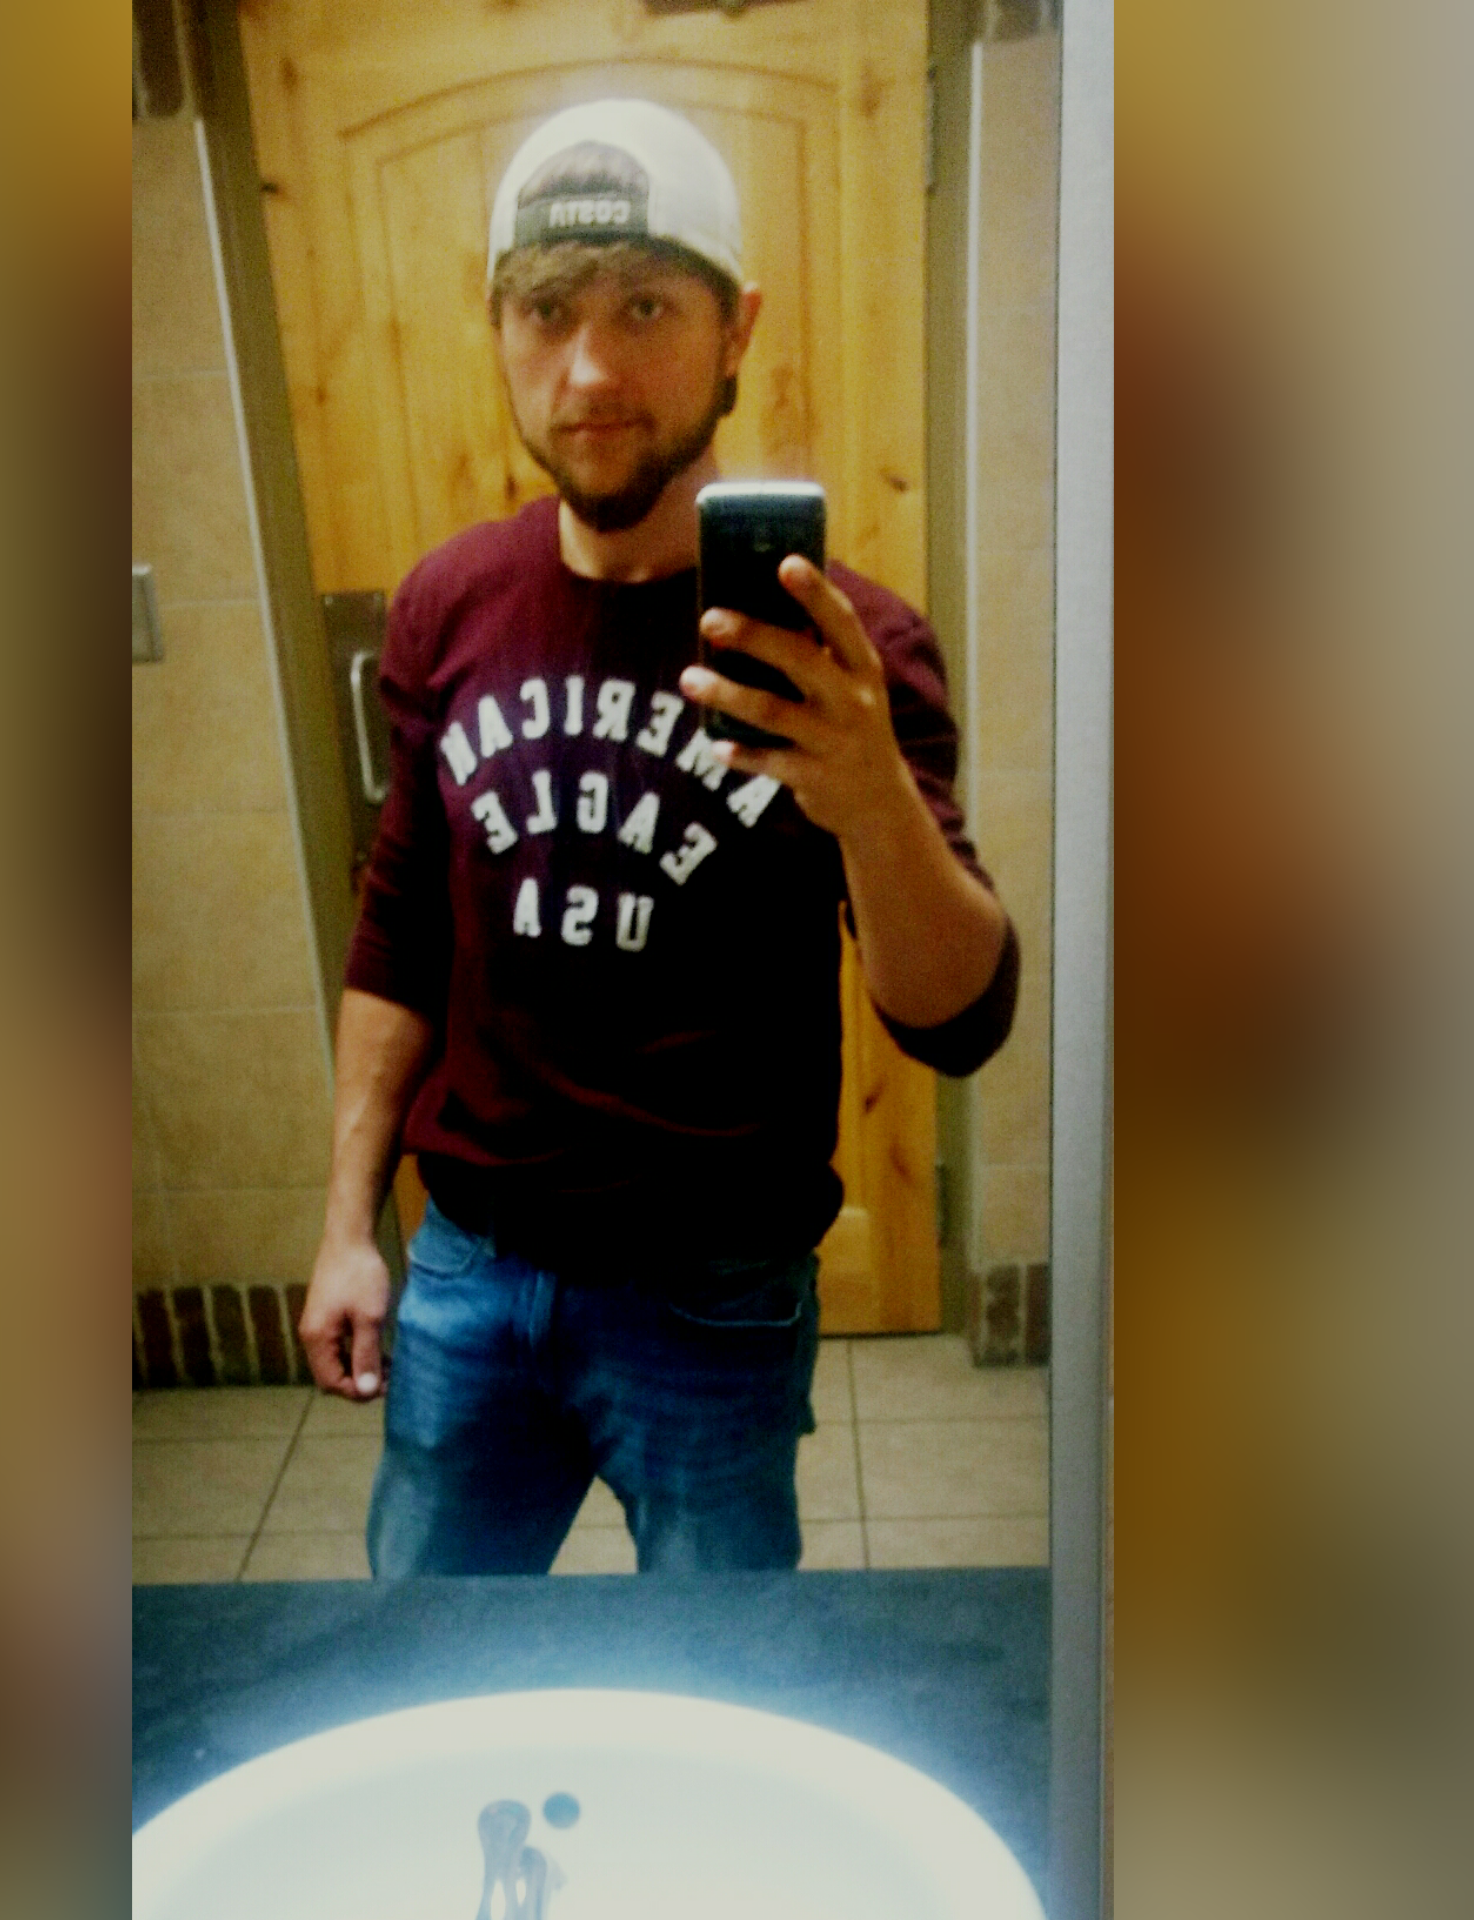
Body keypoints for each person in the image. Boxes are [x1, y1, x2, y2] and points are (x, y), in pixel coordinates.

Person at [298, 99, 1017, 1576]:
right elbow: (400, 935)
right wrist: (347, 1226)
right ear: (498, 331)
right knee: (427, 1654)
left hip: (714, 1296)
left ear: (736, 328)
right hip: (468, 1269)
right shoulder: (446, 606)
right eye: (547, 312)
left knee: (722, 1671)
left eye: (644, 308)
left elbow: (961, 1019)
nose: (591, 371)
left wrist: (869, 792)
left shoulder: (854, 649)